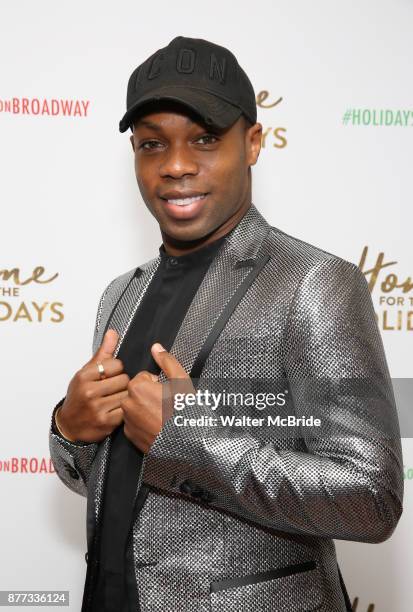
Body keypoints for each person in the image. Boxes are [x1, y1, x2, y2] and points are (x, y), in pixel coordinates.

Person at [49, 36, 404, 612]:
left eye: (206, 139)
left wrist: (187, 440)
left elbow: (371, 497)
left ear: (254, 143)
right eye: (151, 144)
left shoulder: (313, 282)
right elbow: (106, 482)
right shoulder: (120, 295)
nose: (177, 165)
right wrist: (71, 428)